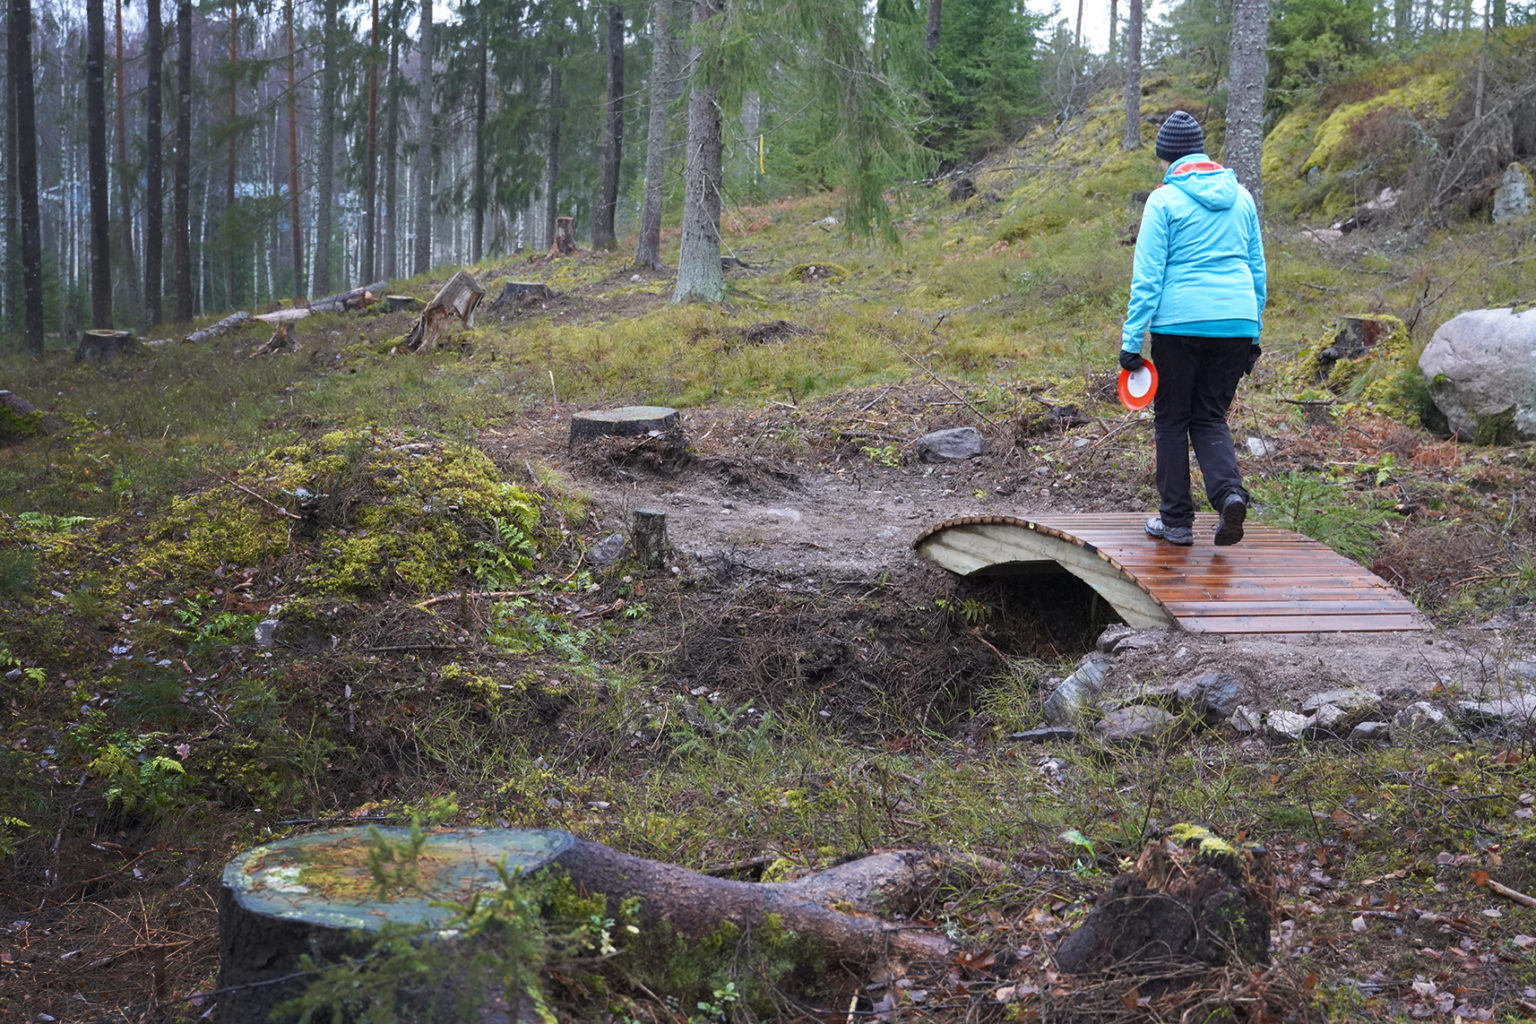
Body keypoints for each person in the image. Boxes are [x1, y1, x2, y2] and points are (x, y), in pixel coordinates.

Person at [1120, 110, 1266, 548]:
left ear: (1167, 158)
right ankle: (1229, 495)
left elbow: (1147, 278)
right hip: (1237, 322)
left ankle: (1177, 523)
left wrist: (1131, 343)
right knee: (1209, 417)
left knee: (1170, 419)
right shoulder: (1241, 197)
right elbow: (1257, 270)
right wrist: (1253, 333)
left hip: (1180, 323)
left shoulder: (1164, 200)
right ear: (1202, 153)